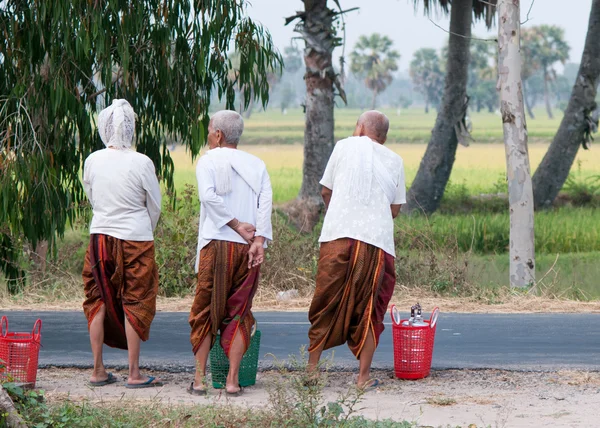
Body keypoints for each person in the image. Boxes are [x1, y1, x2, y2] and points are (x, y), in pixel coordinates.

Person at [307, 110, 406, 389]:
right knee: (371, 310)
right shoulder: (395, 160)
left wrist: (339, 211)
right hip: (377, 243)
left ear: (360, 128)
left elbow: (326, 191)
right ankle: (363, 378)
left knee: (325, 302)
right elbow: (395, 209)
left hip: (338, 237)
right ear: (383, 136)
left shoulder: (343, 146)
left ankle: (312, 372)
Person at [188, 110, 273, 396]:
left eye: (210, 129)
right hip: (248, 249)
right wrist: (258, 240)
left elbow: (208, 197)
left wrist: (236, 225)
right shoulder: (257, 164)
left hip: (217, 243)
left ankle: (199, 381)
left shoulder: (208, 161)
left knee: (204, 311)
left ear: (218, 135)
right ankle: (233, 382)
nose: (209, 134)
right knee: (239, 312)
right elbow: (265, 204)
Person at [82, 99, 163, 389]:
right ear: (130, 128)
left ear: (104, 127)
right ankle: (133, 373)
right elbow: (154, 206)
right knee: (136, 299)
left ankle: (97, 370)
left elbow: (92, 197)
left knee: (97, 297)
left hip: (99, 237)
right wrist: (143, 229)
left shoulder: (92, 160)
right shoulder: (142, 162)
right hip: (137, 238)